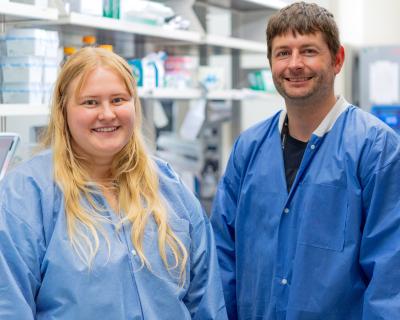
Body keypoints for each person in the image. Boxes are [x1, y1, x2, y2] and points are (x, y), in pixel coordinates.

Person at [0, 47, 227, 320]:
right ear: (63, 110)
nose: (107, 114)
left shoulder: (169, 187)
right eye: (90, 102)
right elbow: (10, 305)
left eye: (118, 99)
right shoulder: (26, 194)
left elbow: (205, 300)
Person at [211, 2, 400, 319]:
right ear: (270, 62)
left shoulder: (376, 149)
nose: (294, 64)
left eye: (309, 51)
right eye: (283, 53)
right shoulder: (249, 148)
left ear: (337, 60)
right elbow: (223, 257)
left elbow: (390, 276)